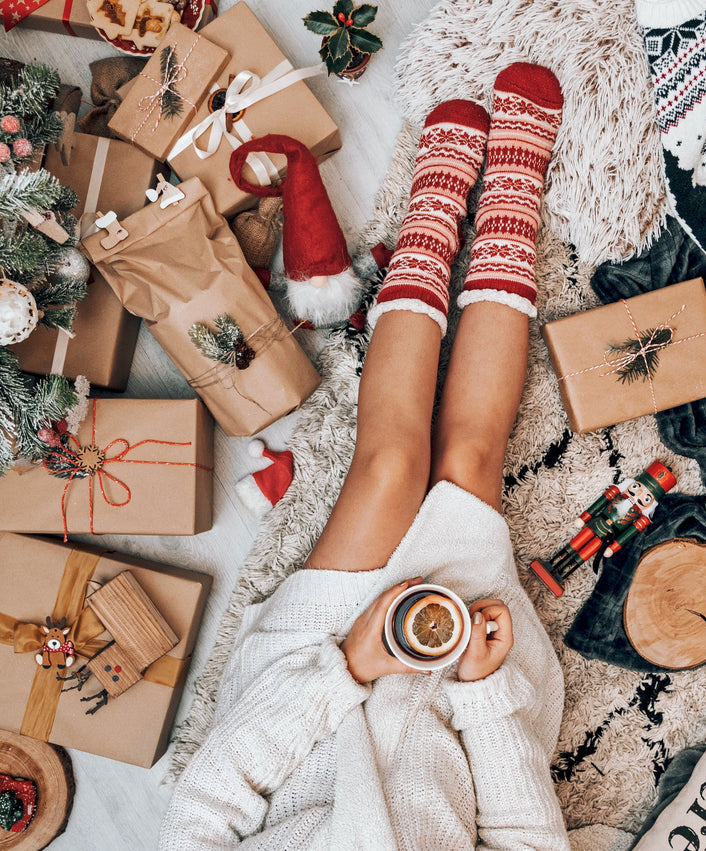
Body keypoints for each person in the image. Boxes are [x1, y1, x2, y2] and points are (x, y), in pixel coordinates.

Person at [160, 62, 568, 850]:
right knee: (471, 462)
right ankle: (514, 190)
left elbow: (204, 802)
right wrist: (483, 696)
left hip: (310, 688)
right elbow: (528, 838)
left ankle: (435, 207)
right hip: (457, 714)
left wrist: (348, 663)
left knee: (387, 469)